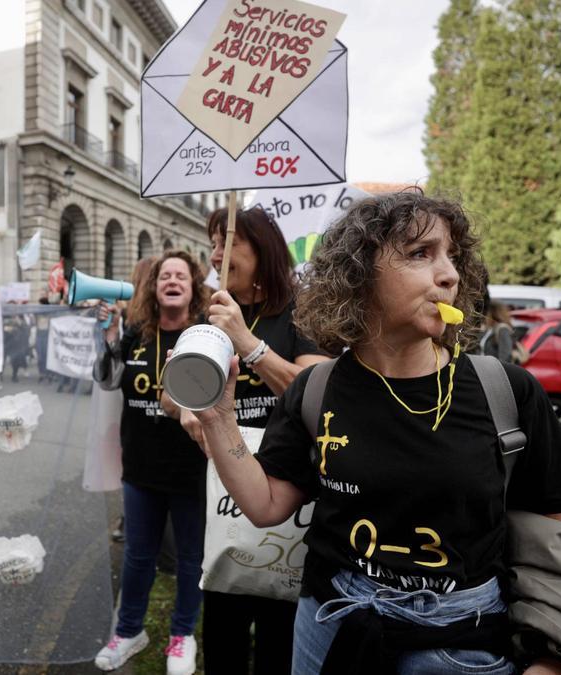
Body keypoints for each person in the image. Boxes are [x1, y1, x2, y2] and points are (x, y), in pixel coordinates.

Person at [190, 192, 561, 674]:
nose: (449, 275)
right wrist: (218, 418)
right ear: (359, 275)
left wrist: (553, 659)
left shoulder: (505, 391)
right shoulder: (317, 390)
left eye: (451, 256)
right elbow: (265, 504)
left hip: (462, 638)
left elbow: (557, 534)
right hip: (331, 623)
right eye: (421, 254)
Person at [174, 207, 328, 675]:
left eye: (228, 242)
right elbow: (175, 386)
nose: (216, 254)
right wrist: (185, 404)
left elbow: (316, 389)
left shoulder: (302, 309)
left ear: (262, 248)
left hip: (285, 490)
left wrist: (247, 342)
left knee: (280, 631)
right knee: (223, 618)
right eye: (213, 244)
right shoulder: (212, 313)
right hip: (226, 488)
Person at [92, 251, 210, 675]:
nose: (172, 280)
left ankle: (182, 636)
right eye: (164, 276)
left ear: (194, 287)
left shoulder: (206, 335)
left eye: (181, 275)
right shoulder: (137, 332)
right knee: (138, 557)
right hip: (140, 469)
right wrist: (107, 337)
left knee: (191, 560)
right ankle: (128, 632)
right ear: (154, 287)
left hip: (191, 470)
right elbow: (106, 380)